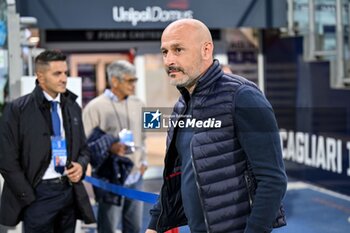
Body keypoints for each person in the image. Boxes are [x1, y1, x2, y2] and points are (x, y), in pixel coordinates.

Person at [146, 19, 287, 233]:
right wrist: (155, 225)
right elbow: (176, 175)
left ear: (206, 50)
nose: (169, 60)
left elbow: (273, 179)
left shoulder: (243, 96)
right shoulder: (181, 107)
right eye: (165, 52)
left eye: (178, 49)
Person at [0, 50, 95, 232]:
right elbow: (6, 160)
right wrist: (28, 197)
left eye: (65, 73)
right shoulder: (17, 110)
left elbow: (84, 149)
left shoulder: (73, 107)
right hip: (37, 195)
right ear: (40, 77)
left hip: (68, 192)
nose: (64, 79)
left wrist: (81, 166)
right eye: (57, 73)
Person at [83, 60, 147, 233]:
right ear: (114, 81)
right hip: (109, 177)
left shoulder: (139, 104)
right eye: (129, 80)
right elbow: (84, 143)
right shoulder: (95, 107)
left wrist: (144, 163)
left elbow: (143, 136)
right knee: (108, 227)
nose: (133, 85)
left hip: (135, 177)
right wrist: (110, 147)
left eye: (135, 80)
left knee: (134, 227)